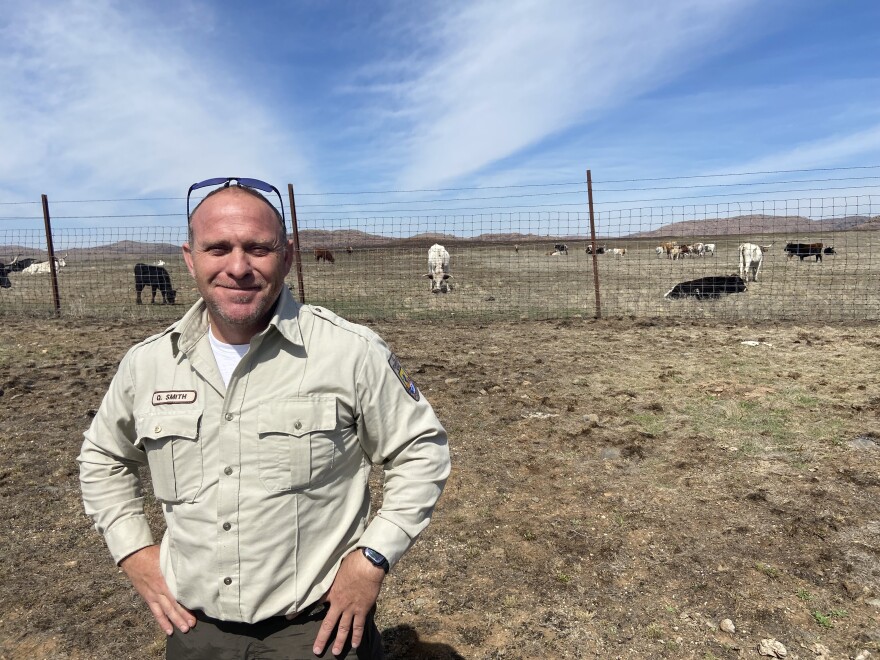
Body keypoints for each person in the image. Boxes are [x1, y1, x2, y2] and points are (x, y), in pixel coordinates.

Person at [78, 178, 451, 659]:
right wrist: (133, 552)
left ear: (288, 256)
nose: (238, 267)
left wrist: (371, 559)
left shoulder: (350, 352)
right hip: (195, 632)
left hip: (318, 632)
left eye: (258, 247)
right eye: (218, 248)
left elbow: (421, 450)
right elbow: (103, 457)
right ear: (190, 258)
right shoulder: (146, 365)